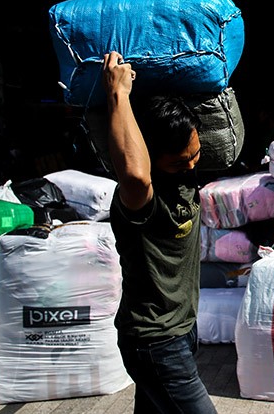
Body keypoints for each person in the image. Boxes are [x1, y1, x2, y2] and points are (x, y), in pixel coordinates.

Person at [102, 51, 218, 414]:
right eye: (178, 162)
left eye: (194, 155)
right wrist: (119, 94)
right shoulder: (139, 200)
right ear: (150, 156)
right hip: (154, 342)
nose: (190, 165)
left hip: (183, 331)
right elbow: (135, 174)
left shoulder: (187, 172)